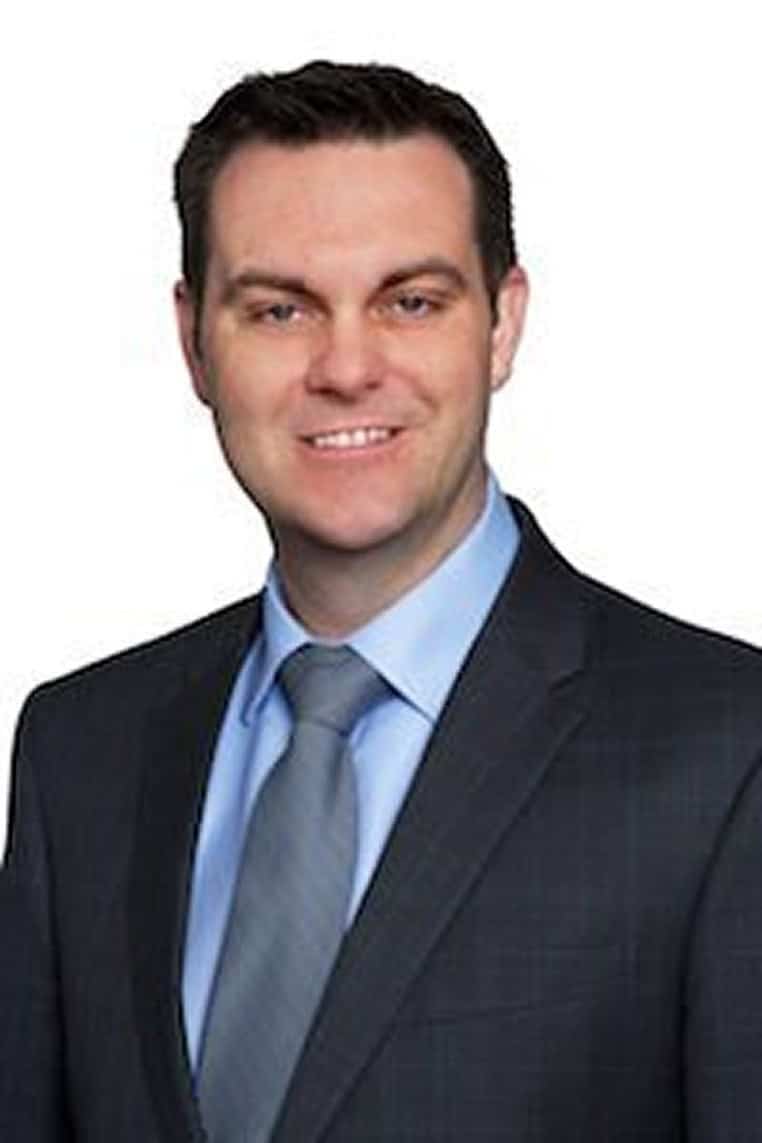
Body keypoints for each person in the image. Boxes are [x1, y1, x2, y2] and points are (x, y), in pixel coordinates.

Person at [2, 59, 762, 1143]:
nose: (347, 367)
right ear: (193, 342)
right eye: (279, 309)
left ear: (501, 325)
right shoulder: (78, 751)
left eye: (410, 301)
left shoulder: (728, 750)